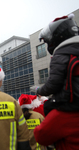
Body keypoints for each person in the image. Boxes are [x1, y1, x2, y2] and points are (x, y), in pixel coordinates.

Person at [33, 14, 79, 149]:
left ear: (59, 36)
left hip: (70, 104)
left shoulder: (61, 54)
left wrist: (39, 90)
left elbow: (53, 84)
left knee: (48, 107)